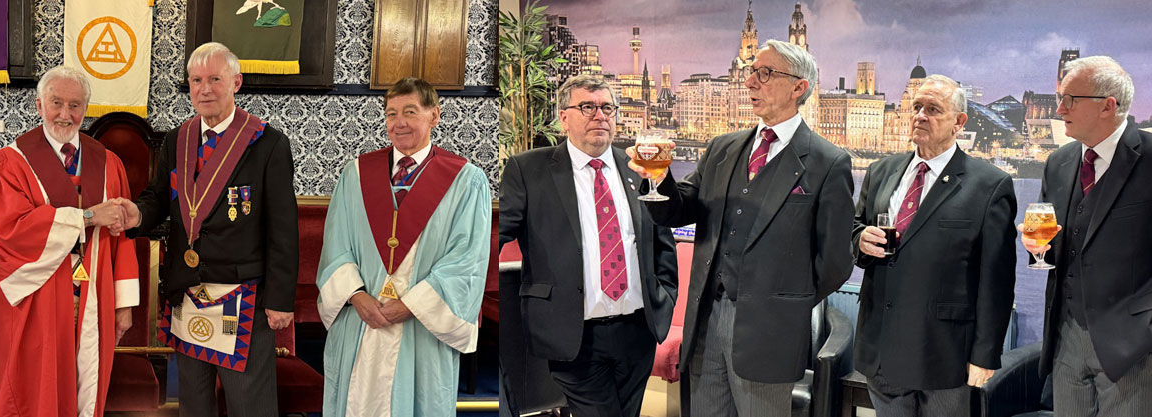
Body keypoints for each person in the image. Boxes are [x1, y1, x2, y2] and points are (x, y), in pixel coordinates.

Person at [626, 39, 853, 416]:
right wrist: (657, 180)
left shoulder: (828, 163)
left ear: (799, 87)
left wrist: (784, 304)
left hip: (770, 335)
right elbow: (678, 210)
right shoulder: (722, 149)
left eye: (765, 73)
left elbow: (835, 262)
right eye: (751, 72)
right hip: (706, 325)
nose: (751, 82)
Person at [124, 41, 299, 417]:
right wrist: (136, 215)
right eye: (196, 80)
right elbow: (159, 198)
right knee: (193, 402)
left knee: (249, 403)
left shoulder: (267, 143)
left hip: (244, 294)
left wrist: (281, 300)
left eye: (215, 79)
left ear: (236, 83)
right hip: (188, 289)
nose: (204, 89)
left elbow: (283, 228)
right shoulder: (178, 139)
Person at [497, 74, 678, 417]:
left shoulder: (637, 168)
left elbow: (662, 241)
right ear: (563, 117)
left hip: (637, 331)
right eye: (587, 107)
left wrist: (664, 297)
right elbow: (497, 234)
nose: (600, 116)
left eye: (607, 107)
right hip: (573, 334)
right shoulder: (529, 169)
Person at [1023, 55, 1152, 416]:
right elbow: (1052, 245)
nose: (1059, 108)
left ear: (1108, 106)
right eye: (1059, 98)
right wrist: (1037, 247)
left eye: (1070, 99)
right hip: (1065, 342)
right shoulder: (1060, 162)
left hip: (1134, 346)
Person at [316, 77, 490, 416]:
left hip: (420, 328)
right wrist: (356, 295)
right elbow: (336, 245)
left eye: (410, 112)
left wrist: (412, 305)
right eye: (391, 113)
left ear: (434, 116)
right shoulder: (355, 175)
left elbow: (466, 261)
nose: (399, 123)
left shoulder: (466, 181)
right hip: (361, 320)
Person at [851, 74, 1017, 416]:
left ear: (959, 122)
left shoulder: (989, 185)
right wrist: (859, 239)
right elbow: (854, 229)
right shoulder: (881, 171)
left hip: (945, 357)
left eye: (933, 109)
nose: (920, 116)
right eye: (916, 107)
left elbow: (996, 281)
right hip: (882, 348)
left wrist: (985, 356)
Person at [0, 65, 138, 417]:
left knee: (85, 385)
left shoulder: (109, 162)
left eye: (75, 105)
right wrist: (87, 217)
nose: (65, 115)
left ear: (86, 109)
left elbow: (121, 236)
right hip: (34, 298)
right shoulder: (10, 162)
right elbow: (9, 230)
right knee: (31, 389)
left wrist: (124, 305)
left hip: (95, 295)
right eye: (56, 103)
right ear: (39, 105)